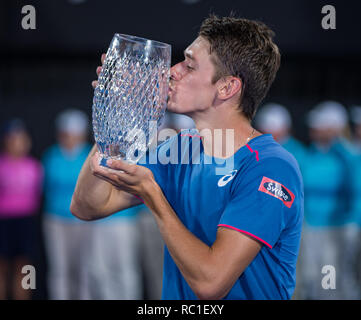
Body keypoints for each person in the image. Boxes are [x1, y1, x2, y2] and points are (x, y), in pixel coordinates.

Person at [71, 15, 304, 300]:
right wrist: (119, 112)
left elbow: (211, 283)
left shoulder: (270, 167)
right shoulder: (181, 149)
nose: (172, 71)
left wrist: (153, 195)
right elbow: (88, 206)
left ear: (227, 88)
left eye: (189, 65)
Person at [301, 101, 356, 299]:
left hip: (336, 228)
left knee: (330, 278)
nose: (314, 130)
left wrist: (340, 139)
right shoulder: (311, 153)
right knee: (310, 276)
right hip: (311, 225)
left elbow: (354, 182)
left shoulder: (348, 155)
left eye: (320, 126)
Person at [42, 109, 93, 300]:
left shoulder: (89, 156)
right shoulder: (51, 155)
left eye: (75, 133)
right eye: (67, 133)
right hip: (55, 219)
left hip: (83, 220)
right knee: (59, 267)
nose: (70, 137)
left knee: (84, 266)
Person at [0, 119, 43, 300]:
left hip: (26, 222)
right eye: (12, 139)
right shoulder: (1, 165)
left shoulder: (34, 166)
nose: (17, 143)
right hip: (4, 222)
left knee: (26, 267)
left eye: (20, 138)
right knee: (2, 266)